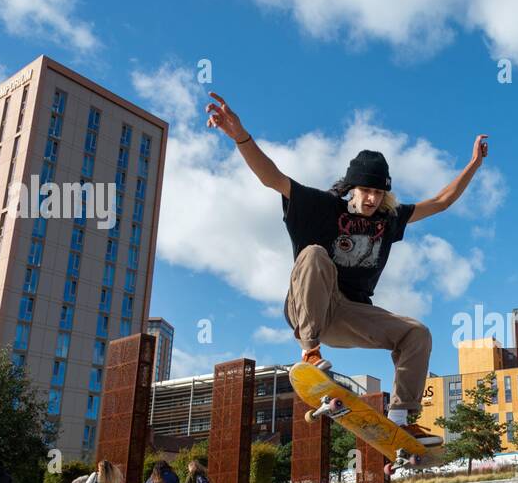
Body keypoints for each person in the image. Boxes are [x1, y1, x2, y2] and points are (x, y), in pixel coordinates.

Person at [205, 91, 489, 446]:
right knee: (313, 255)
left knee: (417, 333)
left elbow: (442, 202)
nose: (370, 200)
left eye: (377, 193)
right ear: (352, 189)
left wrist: (474, 164)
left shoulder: (391, 218)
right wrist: (240, 137)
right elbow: (272, 178)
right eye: (364, 191)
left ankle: (400, 418)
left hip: (350, 314)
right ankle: (310, 353)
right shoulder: (324, 207)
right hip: (309, 307)